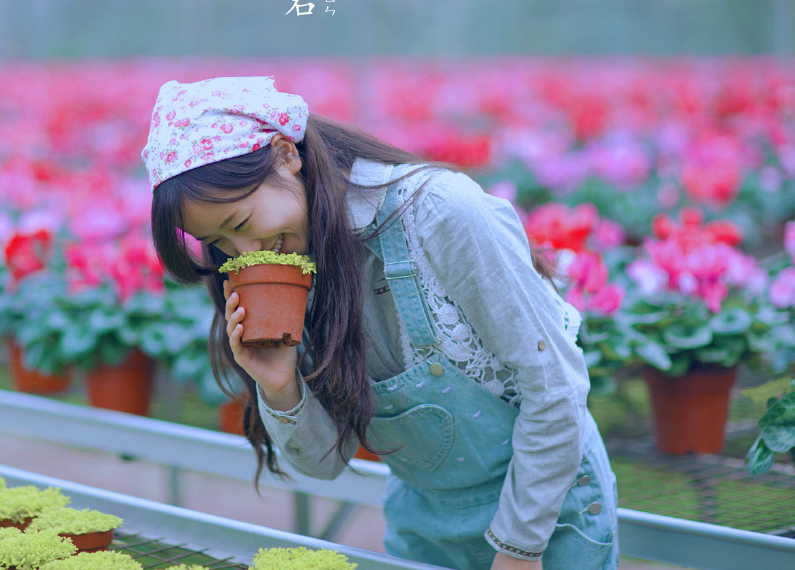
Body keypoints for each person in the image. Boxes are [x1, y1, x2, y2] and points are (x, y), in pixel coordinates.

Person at [142, 76, 618, 570]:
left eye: (240, 224)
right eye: (218, 243)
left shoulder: (439, 212)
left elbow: (556, 385)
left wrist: (519, 549)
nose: (245, 255)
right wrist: (281, 385)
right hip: (423, 517)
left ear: (286, 154)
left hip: (547, 509)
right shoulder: (291, 267)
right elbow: (326, 463)